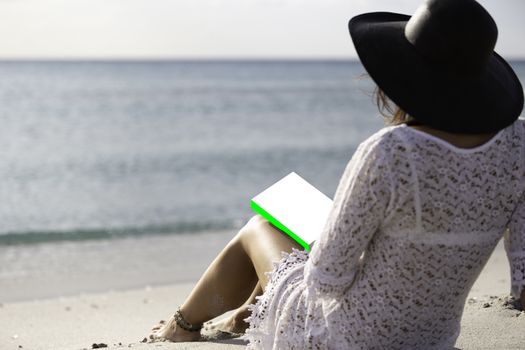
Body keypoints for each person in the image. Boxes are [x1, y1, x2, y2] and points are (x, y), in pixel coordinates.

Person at [149, 0, 525, 348]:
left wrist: (336, 244)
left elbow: (325, 280)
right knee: (306, 237)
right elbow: (521, 284)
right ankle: (247, 314)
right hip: (432, 339)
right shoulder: (519, 144)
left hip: (343, 337)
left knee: (259, 228)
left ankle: (181, 327)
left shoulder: (392, 152)